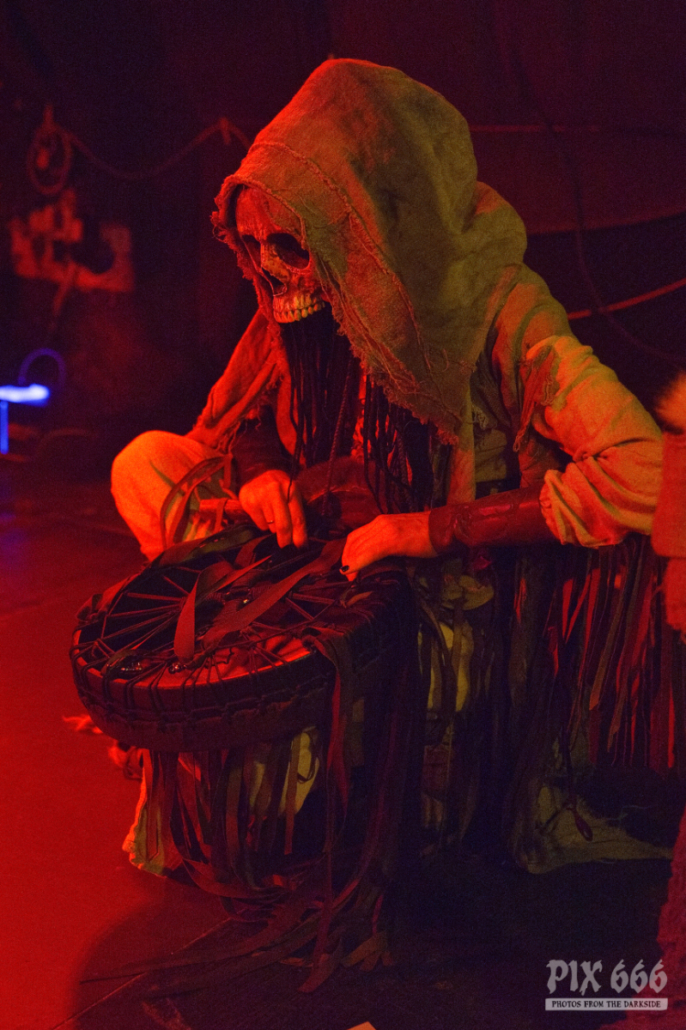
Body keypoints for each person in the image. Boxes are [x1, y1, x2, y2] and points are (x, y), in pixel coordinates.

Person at [111, 59, 664, 880]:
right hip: (308, 554)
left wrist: (431, 529)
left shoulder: (497, 305)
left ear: (364, 223)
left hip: (435, 592)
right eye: (253, 247)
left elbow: (643, 467)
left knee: (312, 795)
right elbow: (242, 418)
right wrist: (262, 475)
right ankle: (249, 692)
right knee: (145, 462)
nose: (270, 272)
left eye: (290, 246)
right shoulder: (297, 300)